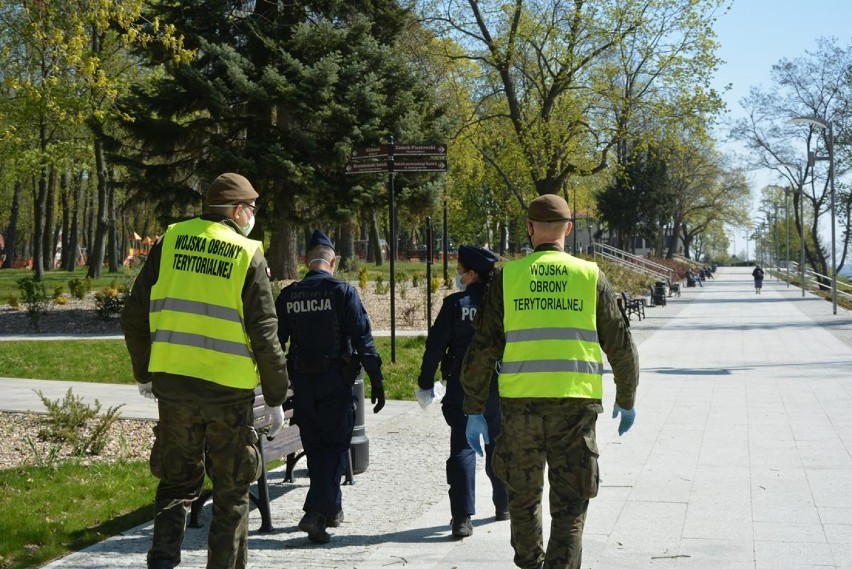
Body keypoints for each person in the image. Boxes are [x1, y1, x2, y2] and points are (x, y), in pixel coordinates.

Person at [459, 194, 640, 569]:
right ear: (568, 229)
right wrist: (627, 397)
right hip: (575, 407)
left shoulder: (508, 277)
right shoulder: (590, 277)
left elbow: (483, 348)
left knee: (523, 500)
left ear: (529, 229)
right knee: (571, 504)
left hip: (521, 408)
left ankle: (530, 563)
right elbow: (621, 346)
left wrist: (474, 408)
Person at [120, 172, 290, 569]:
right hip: (227, 394)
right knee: (231, 492)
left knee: (176, 483)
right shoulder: (246, 253)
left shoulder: (169, 241)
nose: (252, 216)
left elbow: (133, 316)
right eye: (250, 208)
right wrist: (277, 397)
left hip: (174, 389)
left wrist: (144, 373)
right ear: (236, 210)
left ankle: (162, 562)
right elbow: (265, 335)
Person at [275, 229, 385, 544]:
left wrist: (278, 384)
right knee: (336, 448)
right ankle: (314, 513)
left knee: (315, 448)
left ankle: (332, 510)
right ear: (332, 261)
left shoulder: (289, 295)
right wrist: (376, 382)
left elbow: (275, 344)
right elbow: (364, 341)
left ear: (305, 261)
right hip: (336, 382)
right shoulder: (343, 292)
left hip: (303, 385)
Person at [416, 245, 509, 539]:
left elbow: (435, 347)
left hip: (461, 386)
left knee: (462, 448)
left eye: (459, 269)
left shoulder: (455, 304)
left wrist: (425, 382)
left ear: (471, 274)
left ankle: (461, 518)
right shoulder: (503, 303)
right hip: (497, 384)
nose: (457, 274)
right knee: (497, 444)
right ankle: (504, 504)